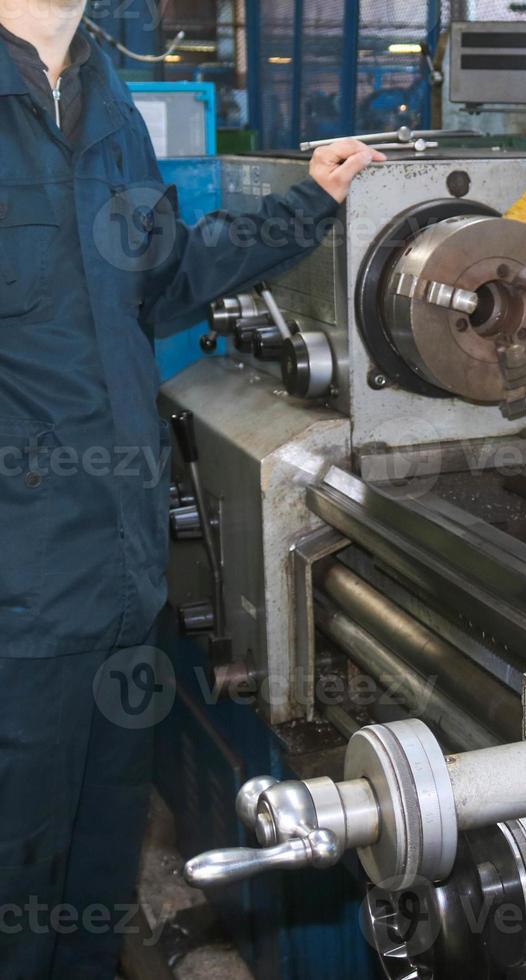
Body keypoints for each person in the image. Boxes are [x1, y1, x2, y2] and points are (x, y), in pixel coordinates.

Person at [0, 2, 385, 976]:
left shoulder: (108, 97)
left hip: (122, 583)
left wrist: (312, 202)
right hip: (17, 599)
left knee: (93, 878)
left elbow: (164, 281)